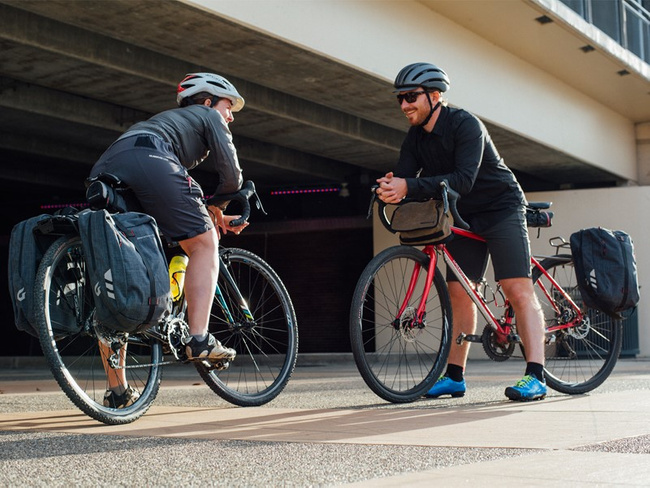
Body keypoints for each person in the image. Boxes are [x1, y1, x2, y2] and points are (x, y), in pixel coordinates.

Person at [376, 62, 547, 402]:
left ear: (435, 96)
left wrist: (408, 185)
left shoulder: (466, 125)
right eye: (400, 99)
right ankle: (455, 377)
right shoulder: (414, 137)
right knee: (459, 293)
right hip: (463, 216)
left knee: (516, 288)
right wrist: (388, 186)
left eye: (411, 96)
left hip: (500, 208)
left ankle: (536, 376)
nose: (405, 105)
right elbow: (407, 177)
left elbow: (464, 180)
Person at [90, 72, 248, 408]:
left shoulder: (168, 122)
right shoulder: (207, 116)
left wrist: (210, 207)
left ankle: (118, 391)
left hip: (108, 165)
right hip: (151, 158)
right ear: (207, 102)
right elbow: (232, 174)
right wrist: (221, 203)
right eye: (227, 106)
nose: (231, 115)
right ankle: (200, 339)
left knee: (121, 270)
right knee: (204, 243)